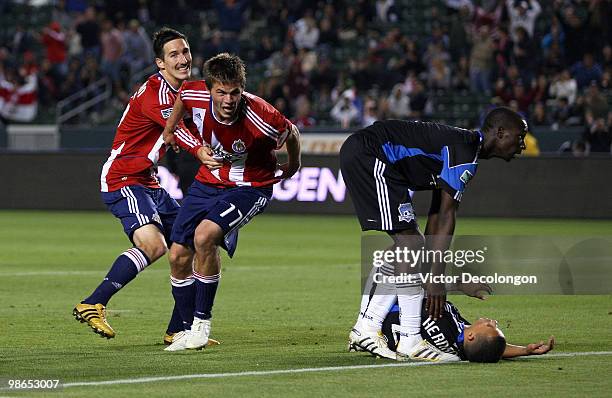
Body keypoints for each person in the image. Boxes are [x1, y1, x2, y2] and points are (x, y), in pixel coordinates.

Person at [340, 107, 528, 361]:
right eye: (520, 137)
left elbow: (437, 215)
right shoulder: (464, 152)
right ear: (501, 132)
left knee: (411, 243)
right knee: (409, 242)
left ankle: (375, 330)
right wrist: (435, 278)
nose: (523, 145)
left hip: (372, 154)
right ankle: (397, 337)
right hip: (371, 153)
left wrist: (432, 273)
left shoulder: (463, 149)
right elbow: (447, 216)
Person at [161, 53, 301, 351]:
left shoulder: (263, 117)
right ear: (209, 89)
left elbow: (293, 132)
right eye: (221, 92)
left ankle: (201, 324)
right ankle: (186, 330)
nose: (228, 100)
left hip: (250, 186)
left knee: (204, 236)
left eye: (235, 91)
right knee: (176, 256)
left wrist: (294, 164)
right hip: (208, 181)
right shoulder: (193, 91)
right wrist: (176, 132)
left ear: (242, 89)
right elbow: (182, 100)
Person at [72, 28, 194, 342]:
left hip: (148, 182)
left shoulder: (184, 92)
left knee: (190, 243)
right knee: (154, 246)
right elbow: (179, 132)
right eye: (173, 55)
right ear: (160, 63)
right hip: (123, 177)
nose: (182, 60)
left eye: (185, 52)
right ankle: (93, 302)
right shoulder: (157, 93)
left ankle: (178, 329)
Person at [379, 290, 555, 362]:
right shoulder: (461, 348)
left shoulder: (443, 324)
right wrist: (525, 350)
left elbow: (415, 293)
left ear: (471, 336)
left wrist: (457, 284)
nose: (492, 322)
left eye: (490, 326)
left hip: (383, 305)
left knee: (405, 254)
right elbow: (489, 348)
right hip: (393, 312)